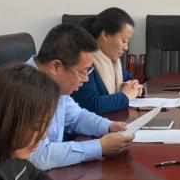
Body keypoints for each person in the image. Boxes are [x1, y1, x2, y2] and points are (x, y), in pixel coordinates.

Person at [27, 24, 133, 170]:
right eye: (82, 72)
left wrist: (109, 126)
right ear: (56, 67)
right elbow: (39, 157)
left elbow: (77, 117)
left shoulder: (53, 84)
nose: (86, 79)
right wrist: (99, 147)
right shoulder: (24, 90)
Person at [72, 7, 143, 114]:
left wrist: (136, 87)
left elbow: (130, 80)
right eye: (124, 41)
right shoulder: (84, 60)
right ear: (105, 35)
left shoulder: (112, 61)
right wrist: (125, 96)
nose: (126, 48)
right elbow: (92, 105)